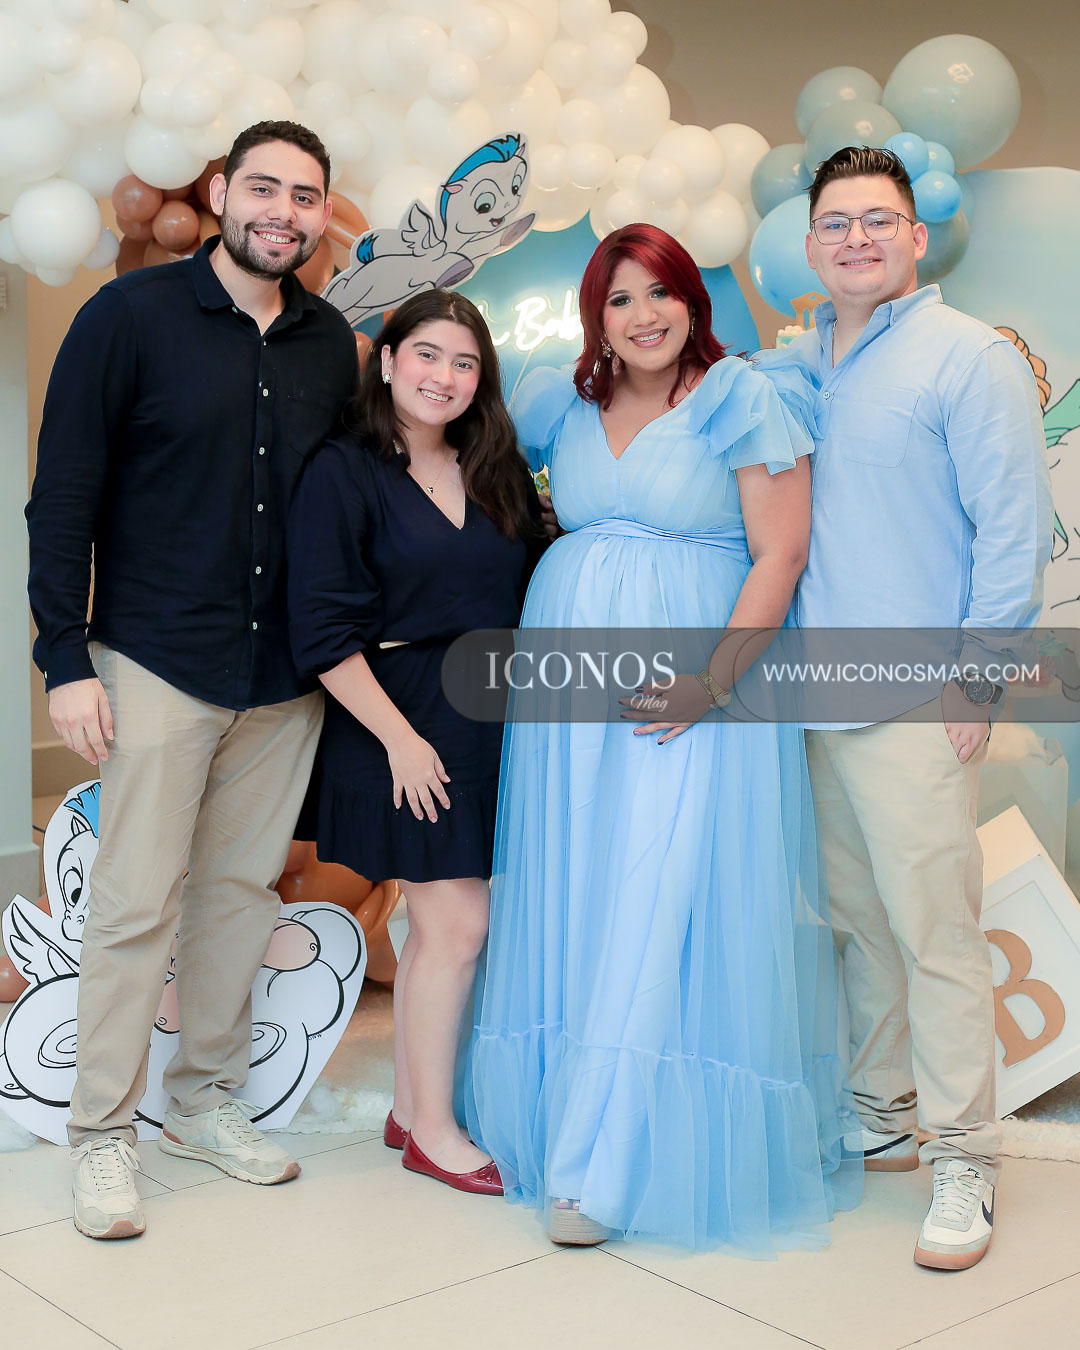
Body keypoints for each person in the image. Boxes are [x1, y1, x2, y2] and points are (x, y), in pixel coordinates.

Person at [466, 223, 862, 1251]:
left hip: (689, 686)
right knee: (590, 886)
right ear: (596, 317)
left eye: (661, 293)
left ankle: (611, 1156)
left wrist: (712, 685)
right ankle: (569, 1118)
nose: (643, 316)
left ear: (694, 300)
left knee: (663, 889)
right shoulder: (565, 405)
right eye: (620, 298)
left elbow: (780, 555)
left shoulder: (742, 398)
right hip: (571, 696)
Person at [25, 121, 358, 1241]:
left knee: (240, 895)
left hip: (284, 673)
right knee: (134, 905)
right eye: (263, 187)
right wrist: (64, 656)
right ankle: (102, 1134)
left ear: (323, 214)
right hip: (156, 655)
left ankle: (205, 1103)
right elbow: (61, 496)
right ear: (219, 193)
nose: (282, 211)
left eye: (304, 196)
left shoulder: (329, 343)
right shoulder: (127, 316)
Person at [768, 145, 1051, 1270]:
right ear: (811, 244)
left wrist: (978, 680)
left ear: (916, 236)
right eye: (837, 223)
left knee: (936, 934)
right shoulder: (798, 364)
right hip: (815, 696)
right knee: (858, 925)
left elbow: (1013, 530)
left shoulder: (969, 355)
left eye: (877, 220)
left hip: (919, 699)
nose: (857, 239)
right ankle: (883, 1112)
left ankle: (965, 1154)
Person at [287, 289, 539, 1197]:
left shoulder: (494, 465)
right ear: (388, 361)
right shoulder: (343, 469)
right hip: (397, 718)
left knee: (449, 925)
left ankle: (409, 1105)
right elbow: (321, 631)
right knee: (456, 924)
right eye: (427, 355)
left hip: (486, 714)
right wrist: (399, 740)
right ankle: (433, 1130)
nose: (445, 376)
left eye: (465, 363)